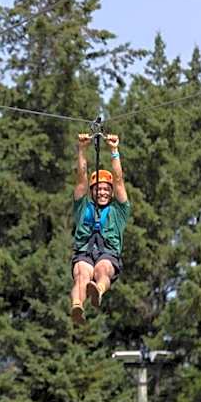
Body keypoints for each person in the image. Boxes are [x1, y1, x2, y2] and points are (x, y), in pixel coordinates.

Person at [70, 132, 130, 324]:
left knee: (102, 269)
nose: (102, 192)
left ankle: (98, 291)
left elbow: (119, 181)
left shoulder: (118, 210)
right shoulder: (82, 206)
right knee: (81, 274)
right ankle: (77, 305)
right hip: (84, 252)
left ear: (111, 192)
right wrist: (82, 149)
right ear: (92, 191)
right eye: (98, 189)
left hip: (108, 253)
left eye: (106, 189)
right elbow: (81, 178)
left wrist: (114, 150)